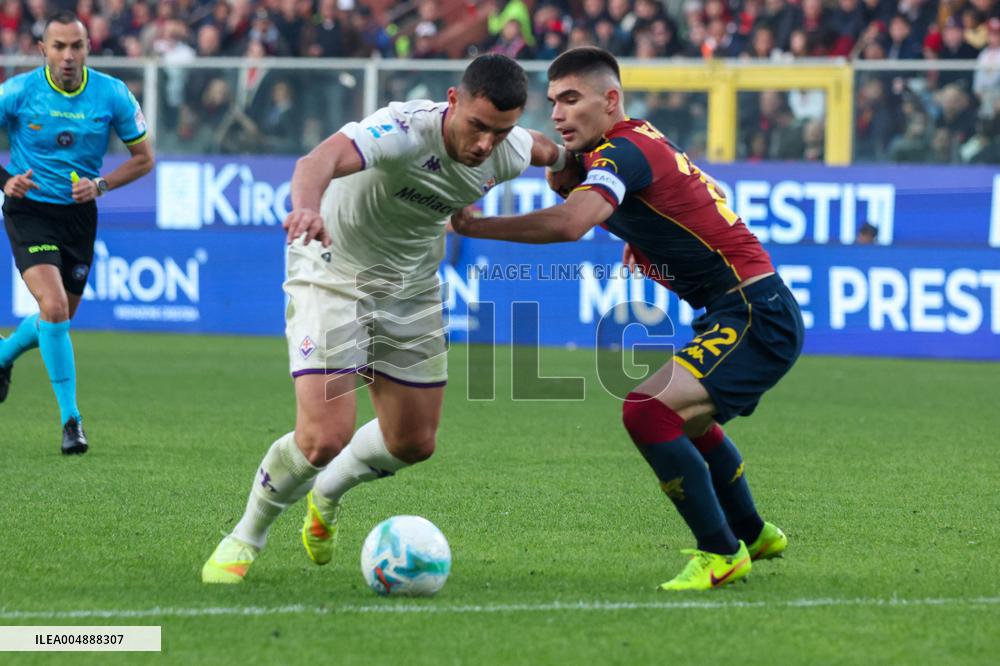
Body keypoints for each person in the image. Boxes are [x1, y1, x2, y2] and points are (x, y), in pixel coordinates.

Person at [202, 54, 568, 584]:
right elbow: (315, 162)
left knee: (414, 442)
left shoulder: (509, 149)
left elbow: (552, 150)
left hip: (412, 289)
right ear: (452, 101)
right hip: (334, 271)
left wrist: (576, 168)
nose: (487, 143)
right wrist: (306, 207)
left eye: (501, 131)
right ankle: (245, 535)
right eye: (478, 126)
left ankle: (328, 492)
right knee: (323, 436)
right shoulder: (401, 130)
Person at [449, 47, 805, 591]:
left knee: (648, 413)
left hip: (755, 312)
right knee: (688, 420)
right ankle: (753, 534)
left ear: (611, 100)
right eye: (553, 103)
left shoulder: (624, 151)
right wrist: (643, 237)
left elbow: (572, 224)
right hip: (743, 308)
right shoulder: (631, 146)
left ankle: (721, 552)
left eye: (572, 99)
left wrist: (477, 228)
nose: (559, 114)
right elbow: (702, 199)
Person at [0, 11, 154, 454]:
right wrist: (4, 180)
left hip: (79, 216)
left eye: (77, 46)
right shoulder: (19, 91)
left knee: (60, 317)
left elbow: (144, 158)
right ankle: (71, 421)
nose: (68, 56)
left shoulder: (112, 94)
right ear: (43, 49)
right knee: (51, 305)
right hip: (29, 209)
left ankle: (5, 354)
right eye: (59, 46)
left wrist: (102, 184)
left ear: (88, 48)